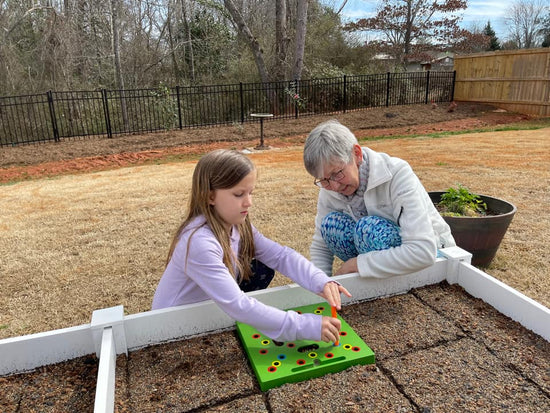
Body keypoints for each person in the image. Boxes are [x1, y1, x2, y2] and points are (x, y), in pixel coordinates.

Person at [152, 149, 351, 343]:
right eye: (239, 194)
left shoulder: (238, 225)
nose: (249, 202)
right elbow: (239, 305)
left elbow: (281, 256)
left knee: (260, 268)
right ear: (210, 196)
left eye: (251, 192)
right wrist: (305, 325)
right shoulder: (198, 243)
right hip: (170, 330)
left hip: (207, 312)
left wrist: (320, 281)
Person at [303, 120, 456, 279]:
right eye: (324, 180)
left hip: (435, 255)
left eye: (337, 173)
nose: (334, 186)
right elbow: (321, 246)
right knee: (331, 225)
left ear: (356, 154)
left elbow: (422, 252)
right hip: (383, 256)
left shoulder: (397, 173)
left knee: (368, 230)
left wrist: (357, 265)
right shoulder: (331, 187)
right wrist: (321, 284)